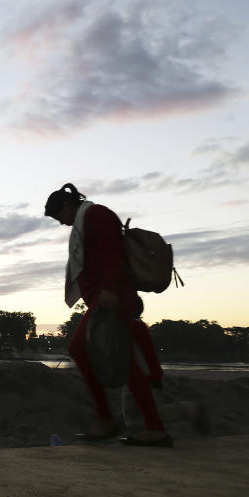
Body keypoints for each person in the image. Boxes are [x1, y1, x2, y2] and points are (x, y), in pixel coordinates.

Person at [44, 183, 173, 447]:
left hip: (112, 298)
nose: (61, 224)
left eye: (59, 217)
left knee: (79, 348)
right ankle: (151, 426)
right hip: (106, 298)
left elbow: (112, 253)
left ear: (67, 207)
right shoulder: (87, 220)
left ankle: (108, 419)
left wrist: (108, 289)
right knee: (125, 362)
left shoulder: (97, 215)